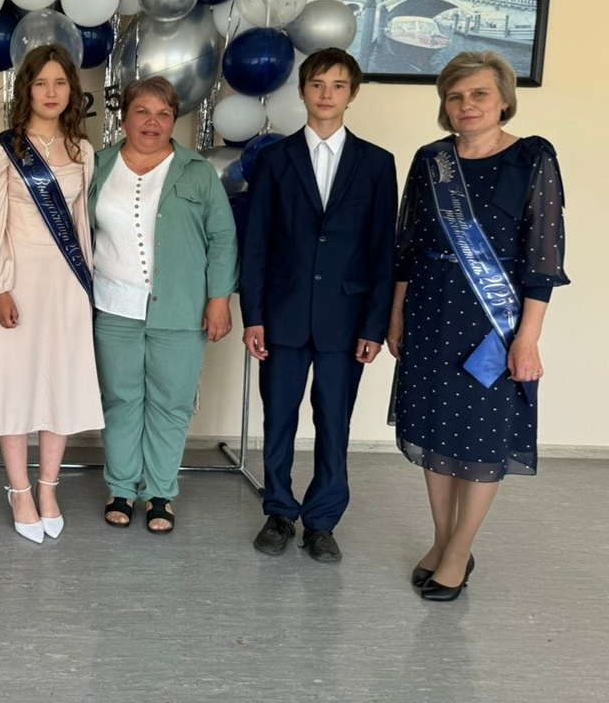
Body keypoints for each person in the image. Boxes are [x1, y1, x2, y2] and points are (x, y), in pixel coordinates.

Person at [388, 51, 567, 601]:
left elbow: (543, 258)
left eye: (479, 94)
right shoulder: (431, 160)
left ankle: (460, 550)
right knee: (433, 430)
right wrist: (395, 313)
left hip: (492, 322)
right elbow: (407, 246)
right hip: (427, 311)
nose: (467, 105)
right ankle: (443, 540)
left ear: (504, 100)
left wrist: (528, 338)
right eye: (455, 96)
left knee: (481, 438)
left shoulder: (532, 158)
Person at [241, 47, 397, 563]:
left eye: (338, 85)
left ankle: (323, 520)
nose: (326, 94)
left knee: (334, 422)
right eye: (317, 84)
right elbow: (257, 244)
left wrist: (374, 324)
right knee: (279, 419)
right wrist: (254, 316)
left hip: (346, 320)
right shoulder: (275, 159)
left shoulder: (376, 164)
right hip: (282, 316)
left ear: (353, 94)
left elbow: (382, 251)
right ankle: (279, 512)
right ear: (302, 90)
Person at [89, 77, 238, 534]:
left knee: (171, 403)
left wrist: (219, 300)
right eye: (142, 112)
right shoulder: (96, 166)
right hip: (113, 307)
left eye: (163, 114)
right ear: (123, 118)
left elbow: (222, 237)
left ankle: (159, 493)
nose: (152, 122)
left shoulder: (196, 171)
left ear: (174, 120)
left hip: (181, 308)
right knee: (120, 401)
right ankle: (120, 488)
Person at [0, 44, 103, 543]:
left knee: (59, 384)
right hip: (18, 280)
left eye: (60, 83)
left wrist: (87, 288)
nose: (51, 92)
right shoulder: (2, 149)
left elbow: (82, 227)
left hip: (66, 285)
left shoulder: (83, 150)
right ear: (26, 89)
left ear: (72, 90)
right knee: (16, 385)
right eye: (41, 83)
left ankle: (48, 487)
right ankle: (19, 490)